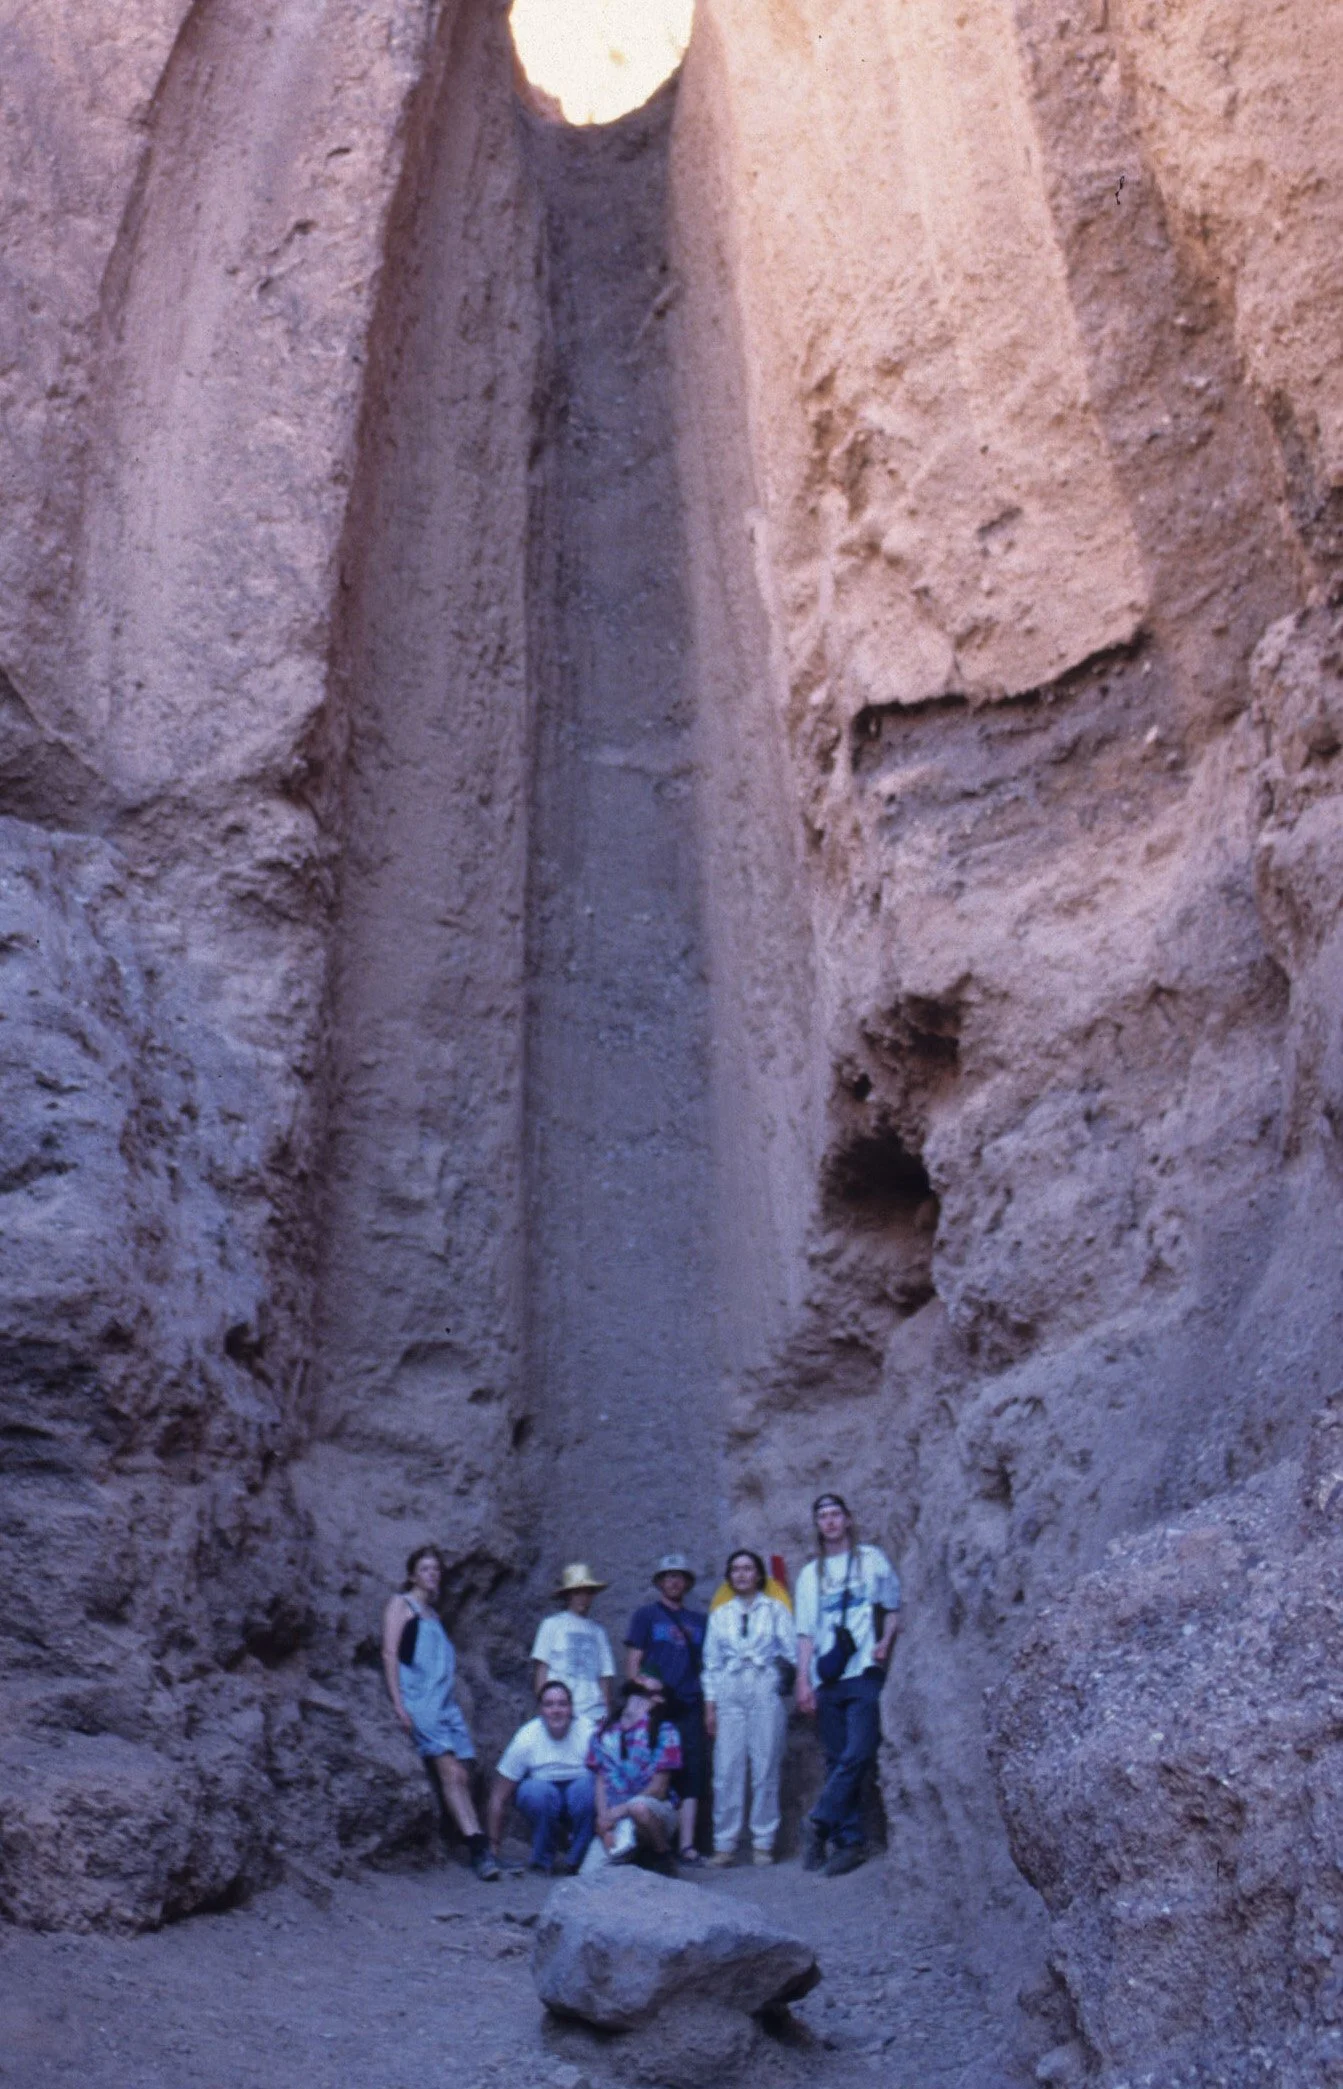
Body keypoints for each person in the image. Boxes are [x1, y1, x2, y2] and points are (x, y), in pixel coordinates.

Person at [794, 1493, 901, 1878]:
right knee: (837, 1759)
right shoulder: (811, 1575)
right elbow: (805, 1634)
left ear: (849, 1519)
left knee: (859, 1752)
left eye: (836, 1514)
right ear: (817, 1524)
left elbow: (892, 1607)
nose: (830, 1521)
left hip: (864, 1673)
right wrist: (803, 1681)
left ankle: (819, 1820)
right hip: (829, 1677)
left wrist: (885, 1643)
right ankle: (848, 1841)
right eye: (822, 1516)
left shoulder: (871, 1560)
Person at [381, 1543, 500, 1881]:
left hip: (446, 1705)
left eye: (436, 1570)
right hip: (421, 1701)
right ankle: (479, 1851)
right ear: (411, 1575)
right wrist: (400, 1704)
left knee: (464, 1774)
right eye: (425, 1569)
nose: (432, 1575)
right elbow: (390, 1654)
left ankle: (480, 1845)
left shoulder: (434, 1617)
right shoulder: (401, 1605)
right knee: (452, 1774)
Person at [702, 1548, 798, 1866]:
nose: (742, 1574)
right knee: (727, 1768)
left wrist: (789, 1680)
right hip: (729, 1688)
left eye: (748, 1568)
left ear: (758, 1574)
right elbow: (711, 1664)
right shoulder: (720, 1615)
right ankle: (725, 1843)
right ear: (729, 1577)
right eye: (736, 1569)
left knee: (765, 1765)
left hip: (762, 1682)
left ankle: (763, 1842)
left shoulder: (775, 1610)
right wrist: (710, 1706)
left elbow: (793, 1651)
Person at [625, 1552, 708, 1865]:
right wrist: (648, 1689)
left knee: (692, 1772)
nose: (674, 1580)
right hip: (657, 1705)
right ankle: (651, 1842)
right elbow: (633, 1666)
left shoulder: (701, 1621)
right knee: (653, 1768)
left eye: (679, 1575)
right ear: (660, 1581)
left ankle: (686, 1845)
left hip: (689, 1701)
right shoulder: (646, 1616)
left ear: (686, 1582)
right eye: (668, 1575)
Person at [486, 1680, 596, 1874]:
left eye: (562, 1704)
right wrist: (493, 1847)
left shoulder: (588, 1732)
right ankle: (542, 1860)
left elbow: (608, 1779)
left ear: (571, 1709)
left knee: (588, 1789)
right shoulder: (526, 1737)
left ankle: (578, 1860)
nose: (556, 1710)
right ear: (540, 1710)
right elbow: (499, 1795)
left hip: (580, 1792)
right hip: (543, 1793)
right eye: (549, 1704)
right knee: (536, 1792)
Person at [586, 1677, 682, 1866]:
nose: (638, 1691)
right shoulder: (603, 1732)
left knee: (639, 1808)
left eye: (644, 1690)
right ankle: (635, 1857)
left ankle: (662, 1856)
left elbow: (659, 1789)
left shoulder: (665, 1731)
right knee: (590, 1872)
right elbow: (601, 1780)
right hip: (616, 1820)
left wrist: (618, 1812)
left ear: (659, 1699)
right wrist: (604, 1824)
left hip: (654, 1812)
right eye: (635, 1688)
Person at [531, 1563, 616, 1724]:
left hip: (593, 1713)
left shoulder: (598, 1632)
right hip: (560, 1711)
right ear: (568, 1595)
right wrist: (544, 1707)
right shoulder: (551, 1625)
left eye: (588, 1593)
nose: (583, 1598)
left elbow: (605, 1676)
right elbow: (541, 1670)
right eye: (578, 1593)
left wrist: (606, 1712)